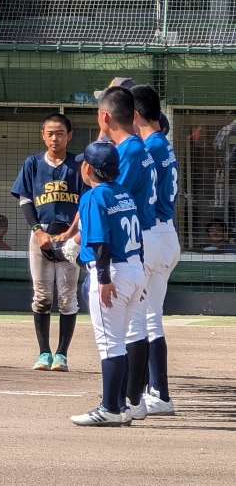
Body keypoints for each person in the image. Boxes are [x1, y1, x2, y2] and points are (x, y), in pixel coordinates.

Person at [70, 141, 146, 427]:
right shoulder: (124, 192)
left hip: (112, 271)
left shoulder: (93, 196)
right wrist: (139, 278)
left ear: (88, 168)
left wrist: (103, 279)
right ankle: (122, 407)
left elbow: (100, 241)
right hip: (133, 269)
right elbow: (136, 238)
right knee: (120, 341)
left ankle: (109, 408)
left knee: (109, 343)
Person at [11, 114, 86, 372]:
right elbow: (25, 200)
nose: (55, 138)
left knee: (67, 298)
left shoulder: (78, 164)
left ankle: (62, 354)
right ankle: (44, 353)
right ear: (43, 134)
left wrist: (71, 233)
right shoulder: (32, 163)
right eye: (50, 133)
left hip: (70, 235)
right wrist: (37, 232)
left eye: (61, 133)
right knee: (42, 296)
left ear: (70, 135)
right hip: (41, 232)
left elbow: (85, 203)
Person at [131, 85, 181, 417]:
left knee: (138, 320)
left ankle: (132, 398)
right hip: (167, 233)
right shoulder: (162, 142)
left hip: (153, 233)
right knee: (152, 319)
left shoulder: (148, 147)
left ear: (135, 115)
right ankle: (158, 392)